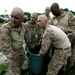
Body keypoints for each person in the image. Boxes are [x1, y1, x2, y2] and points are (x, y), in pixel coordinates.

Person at [0, 7, 26, 75]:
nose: (12, 19)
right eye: (11, 16)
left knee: (20, 66)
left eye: (16, 18)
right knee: (16, 72)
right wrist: (14, 58)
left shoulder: (23, 26)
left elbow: (27, 36)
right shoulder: (6, 28)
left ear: (22, 20)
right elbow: (6, 48)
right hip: (12, 53)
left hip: (21, 50)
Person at [50, 2, 75, 67]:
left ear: (58, 8)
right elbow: (50, 28)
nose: (53, 13)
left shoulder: (68, 15)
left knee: (71, 50)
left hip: (70, 37)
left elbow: (73, 26)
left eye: (54, 11)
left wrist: (68, 33)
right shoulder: (53, 19)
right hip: (59, 40)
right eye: (51, 12)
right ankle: (62, 65)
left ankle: (70, 62)